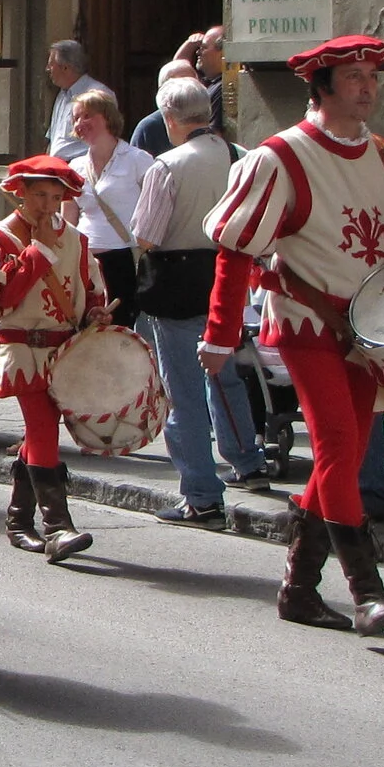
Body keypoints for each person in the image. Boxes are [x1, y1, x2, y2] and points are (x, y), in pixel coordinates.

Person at [204, 35, 384, 635]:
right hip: (309, 323)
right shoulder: (280, 156)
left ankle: (298, 590)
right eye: (355, 77)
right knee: (337, 446)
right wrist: (221, 335)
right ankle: (367, 591)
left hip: (371, 328)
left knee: (349, 454)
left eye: (372, 77)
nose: (368, 88)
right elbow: (236, 249)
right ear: (323, 86)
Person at [130, 77, 266, 522]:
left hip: (176, 283)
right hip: (228, 277)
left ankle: (201, 493)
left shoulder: (167, 166)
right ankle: (247, 461)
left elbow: (146, 235)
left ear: (170, 119)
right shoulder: (240, 157)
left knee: (183, 390)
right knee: (225, 376)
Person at [0, 154, 110, 556]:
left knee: (41, 431)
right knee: (43, 427)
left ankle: (19, 521)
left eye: (55, 196)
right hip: (21, 347)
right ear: (20, 194)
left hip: (64, 350)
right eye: (39, 195)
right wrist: (36, 254)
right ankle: (58, 526)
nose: (48, 206)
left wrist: (95, 312)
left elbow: (90, 288)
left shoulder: (77, 239)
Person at [67, 88, 152, 324]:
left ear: (107, 116)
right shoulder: (74, 167)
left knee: (122, 328)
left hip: (124, 258)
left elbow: (154, 209)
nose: (80, 122)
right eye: (75, 118)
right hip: (85, 261)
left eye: (87, 115)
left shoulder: (137, 159)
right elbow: (68, 220)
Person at [43, 41, 111, 158]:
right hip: (58, 169)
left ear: (65, 67)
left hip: (83, 169)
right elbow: (54, 138)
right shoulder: (62, 95)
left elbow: (105, 138)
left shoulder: (98, 94)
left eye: (51, 65)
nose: (48, 69)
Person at [129, 58, 202, 158]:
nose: (187, 90)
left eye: (193, 83)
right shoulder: (149, 128)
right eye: (180, 85)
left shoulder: (207, 118)